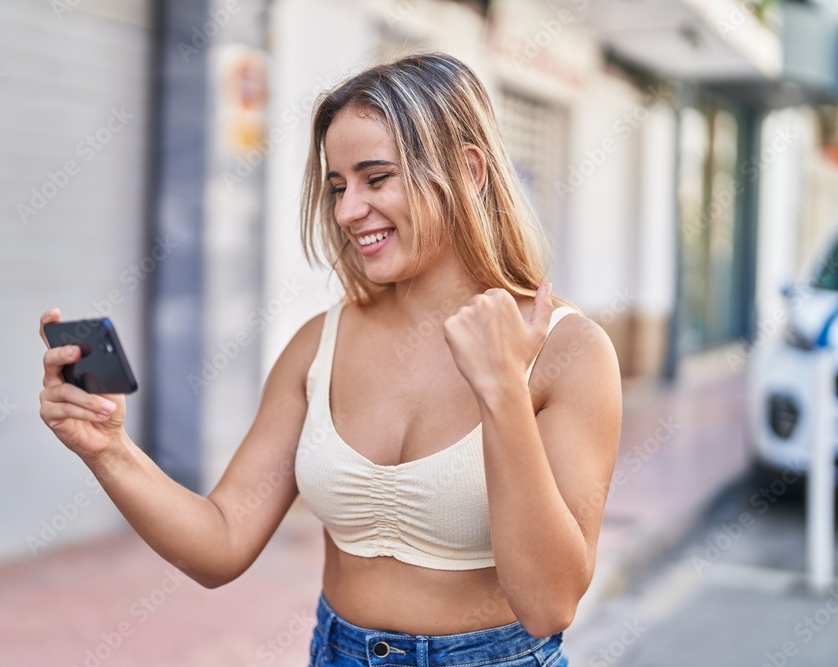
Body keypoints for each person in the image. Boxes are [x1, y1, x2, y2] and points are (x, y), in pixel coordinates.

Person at [38, 51, 621, 667]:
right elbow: (222, 542)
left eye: (376, 178)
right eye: (338, 186)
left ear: (468, 170)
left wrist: (502, 389)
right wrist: (109, 449)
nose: (346, 212)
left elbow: (549, 604)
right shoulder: (320, 344)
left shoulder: (569, 352)